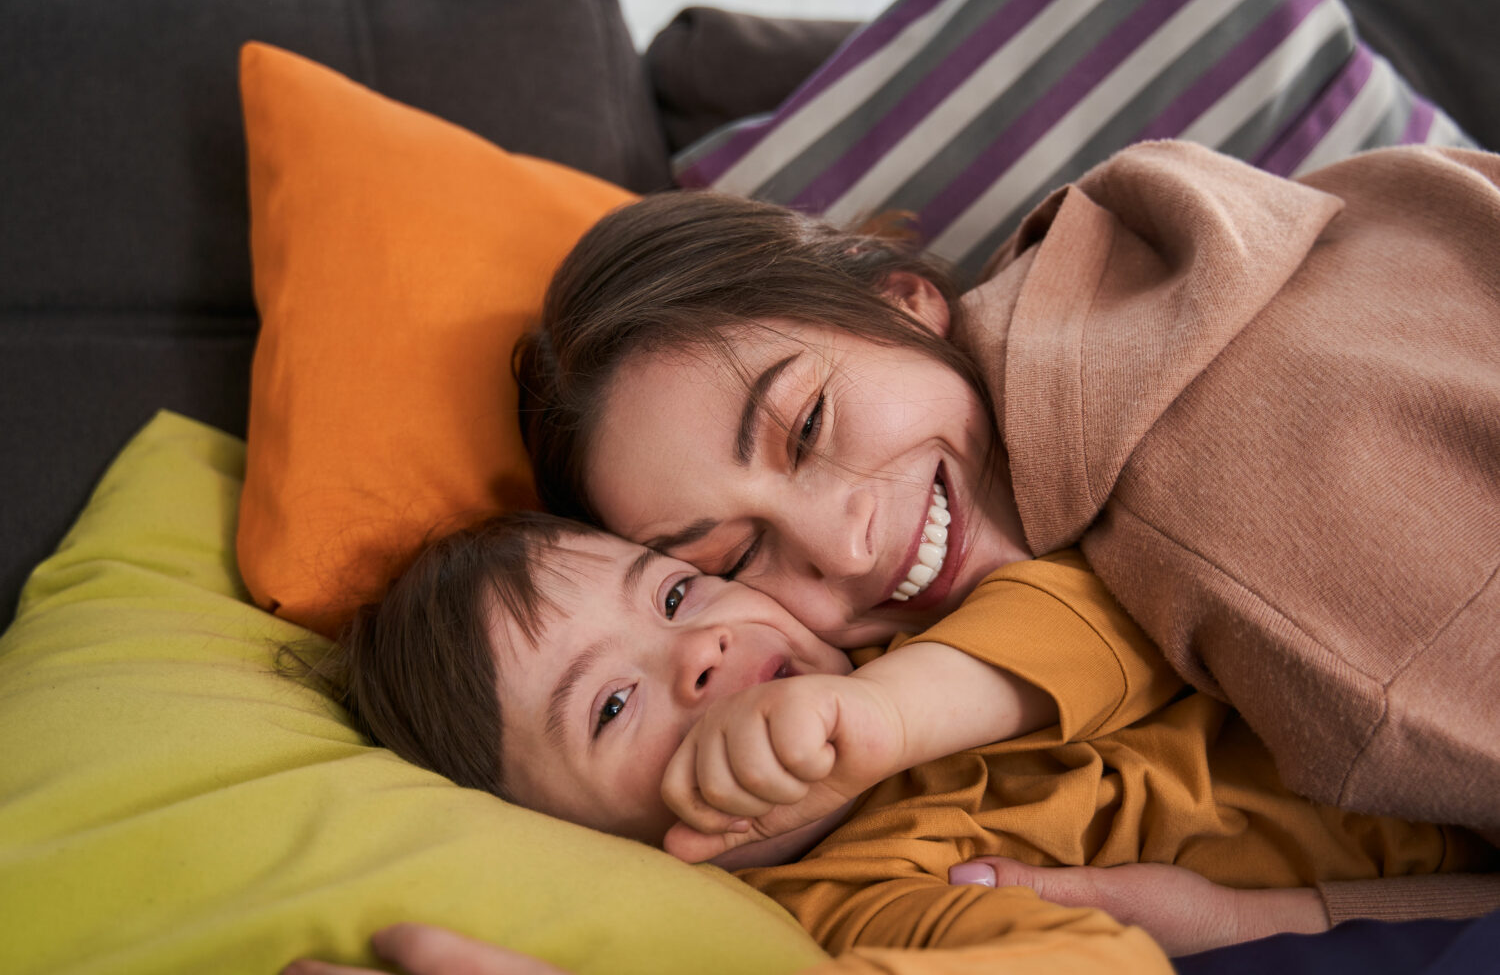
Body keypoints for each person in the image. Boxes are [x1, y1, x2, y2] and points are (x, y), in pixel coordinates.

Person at [514, 141, 1500, 857]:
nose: (846, 549)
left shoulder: (1205, 508)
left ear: (902, 299)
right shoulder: (1127, 259)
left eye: (806, 425)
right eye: (733, 558)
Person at [315, 510, 1496, 974]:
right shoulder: (854, 897)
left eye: (676, 594)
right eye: (610, 708)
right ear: (585, 846)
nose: (702, 654)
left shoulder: (909, 644)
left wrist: (899, 710)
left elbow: (1121, 614)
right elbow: (1068, 965)